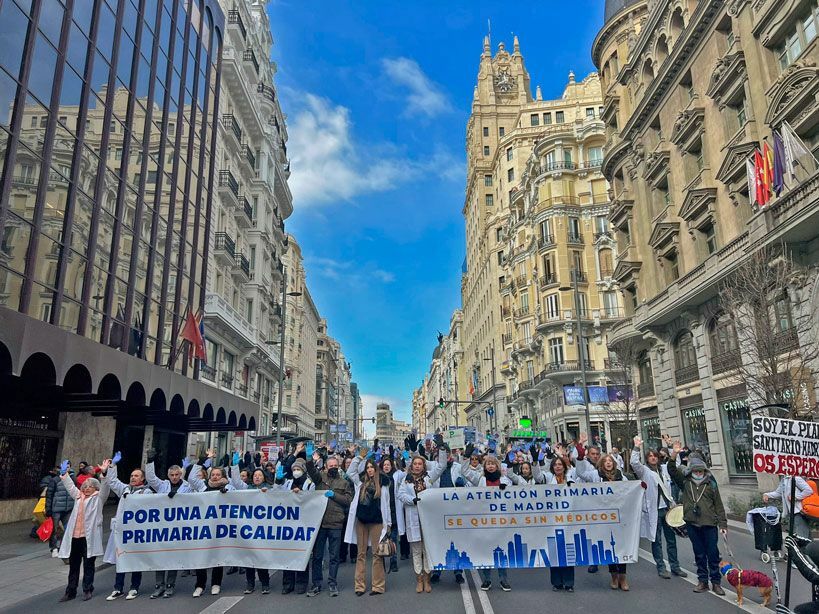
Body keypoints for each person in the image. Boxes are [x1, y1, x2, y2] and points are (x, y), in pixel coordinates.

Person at [668, 441, 727, 596]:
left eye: (701, 471)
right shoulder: (685, 483)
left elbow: (718, 505)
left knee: (713, 554)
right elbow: (672, 470)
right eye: (696, 471)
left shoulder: (711, 484)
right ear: (691, 470)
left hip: (709, 523)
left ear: (704, 471)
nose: (699, 473)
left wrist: (723, 524)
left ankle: (716, 582)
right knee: (699, 553)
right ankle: (702, 581)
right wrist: (674, 454)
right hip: (693, 523)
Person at [631, 437, 686, 580]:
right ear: (647, 459)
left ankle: (675, 567)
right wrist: (636, 448)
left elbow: (676, 464)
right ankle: (661, 567)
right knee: (656, 540)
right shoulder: (644, 472)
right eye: (650, 456)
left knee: (671, 540)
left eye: (655, 456)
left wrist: (671, 449)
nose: (653, 458)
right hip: (654, 510)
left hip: (668, 509)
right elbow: (634, 463)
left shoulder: (664, 469)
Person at [102, 453, 153, 600]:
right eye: (131, 475)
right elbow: (112, 481)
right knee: (121, 559)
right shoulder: (124, 489)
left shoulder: (147, 492)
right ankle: (118, 588)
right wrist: (112, 466)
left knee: (135, 560)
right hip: (123, 532)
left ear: (142, 479)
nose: (133, 478)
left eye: (136, 476)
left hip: (136, 532)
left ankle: (134, 587)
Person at [145, 452, 195, 598]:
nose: (174, 477)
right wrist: (150, 461)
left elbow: (197, 500)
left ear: (181, 475)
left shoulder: (187, 487)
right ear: (168, 475)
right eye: (172, 475)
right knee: (160, 558)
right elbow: (151, 478)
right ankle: (159, 585)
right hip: (162, 527)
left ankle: (169, 585)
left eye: (177, 475)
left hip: (178, 528)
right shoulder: (163, 485)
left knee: (172, 558)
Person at [577, 453, 630, 590]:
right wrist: (580, 456)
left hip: (619, 516)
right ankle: (614, 576)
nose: (608, 463)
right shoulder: (596, 475)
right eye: (605, 461)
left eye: (610, 461)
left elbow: (629, 491)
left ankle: (623, 577)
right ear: (601, 464)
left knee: (621, 547)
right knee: (609, 547)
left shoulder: (621, 476)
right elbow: (581, 473)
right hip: (604, 517)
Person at [57, 459, 108, 602]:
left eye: (90, 486)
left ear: (95, 489)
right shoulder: (78, 497)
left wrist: (104, 473)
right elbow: (70, 487)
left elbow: (105, 487)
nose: (86, 488)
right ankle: (70, 591)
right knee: (73, 566)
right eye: (85, 486)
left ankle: (87, 589)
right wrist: (64, 474)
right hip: (75, 537)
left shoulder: (98, 499)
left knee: (88, 565)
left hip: (88, 538)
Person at [344, 449, 392, 596]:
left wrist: (388, 524)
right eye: (368, 468)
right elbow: (350, 472)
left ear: (376, 469)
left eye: (372, 467)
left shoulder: (383, 483)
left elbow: (387, 504)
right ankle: (360, 586)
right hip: (362, 521)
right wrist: (359, 457)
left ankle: (378, 586)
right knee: (361, 554)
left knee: (377, 554)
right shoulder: (360, 482)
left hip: (377, 521)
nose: (370, 470)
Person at [398, 449, 446, 593]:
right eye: (415, 464)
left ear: (424, 466)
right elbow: (401, 495)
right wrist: (412, 500)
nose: (417, 466)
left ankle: (427, 579)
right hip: (414, 519)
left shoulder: (429, 478)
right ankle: (419, 580)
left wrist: (442, 450)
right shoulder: (406, 479)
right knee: (417, 551)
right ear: (411, 466)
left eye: (420, 464)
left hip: (428, 520)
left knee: (427, 550)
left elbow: (442, 466)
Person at [306, 452, 353, 597]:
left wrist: (334, 495)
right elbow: (311, 471)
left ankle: (332, 584)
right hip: (320, 523)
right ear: (325, 467)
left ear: (338, 467)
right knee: (317, 556)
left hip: (336, 523)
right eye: (330, 466)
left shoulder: (344, 482)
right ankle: (316, 584)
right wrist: (309, 459)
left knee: (334, 557)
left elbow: (348, 500)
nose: (333, 467)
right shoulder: (320, 479)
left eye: (335, 466)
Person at [188, 450, 235, 597]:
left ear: (223, 476)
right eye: (213, 474)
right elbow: (191, 479)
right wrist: (202, 461)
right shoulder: (203, 486)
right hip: (204, 527)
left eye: (218, 475)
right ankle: (200, 585)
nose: (215, 476)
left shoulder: (229, 488)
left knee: (217, 556)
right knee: (201, 556)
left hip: (221, 527)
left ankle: (216, 583)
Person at [470, 454, 513, 591]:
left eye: (492, 463)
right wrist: (465, 457)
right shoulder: (481, 479)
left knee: (501, 550)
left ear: (497, 466)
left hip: (500, 520)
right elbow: (465, 472)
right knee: (486, 549)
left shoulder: (504, 479)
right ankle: (487, 579)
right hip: (485, 519)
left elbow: (513, 493)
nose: (490, 466)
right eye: (488, 463)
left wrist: (505, 487)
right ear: (485, 466)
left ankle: (503, 580)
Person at [280, 457, 313, 595]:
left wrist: (302, 494)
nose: (296, 471)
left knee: (301, 554)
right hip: (288, 523)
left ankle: (301, 582)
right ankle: (288, 583)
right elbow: (277, 493)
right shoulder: (288, 483)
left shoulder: (309, 484)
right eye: (294, 469)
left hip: (303, 524)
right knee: (287, 555)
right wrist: (277, 480)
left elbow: (313, 500)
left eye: (298, 469)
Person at [546, 456, 576, 592]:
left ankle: (569, 582)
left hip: (568, 520)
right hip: (552, 520)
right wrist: (536, 461)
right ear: (552, 468)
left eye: (560, 464)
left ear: (564, 467)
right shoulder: (548, 479)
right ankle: (557, 582)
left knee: (569, 549)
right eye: (555, 465)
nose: (558, 467)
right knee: (555, 551)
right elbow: (536, 474)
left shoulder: (571, 480)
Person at [46, 461, 75, 556]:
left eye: (68, 467)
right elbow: (49, 495)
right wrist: (48, 509)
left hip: (68, 508)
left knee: (67, 529)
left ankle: (63, 547)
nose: (66, 469)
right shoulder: (55, 480)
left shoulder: (72, 479)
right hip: (56, 509)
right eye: (64, 467)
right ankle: (54, 548)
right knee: (54, 529)